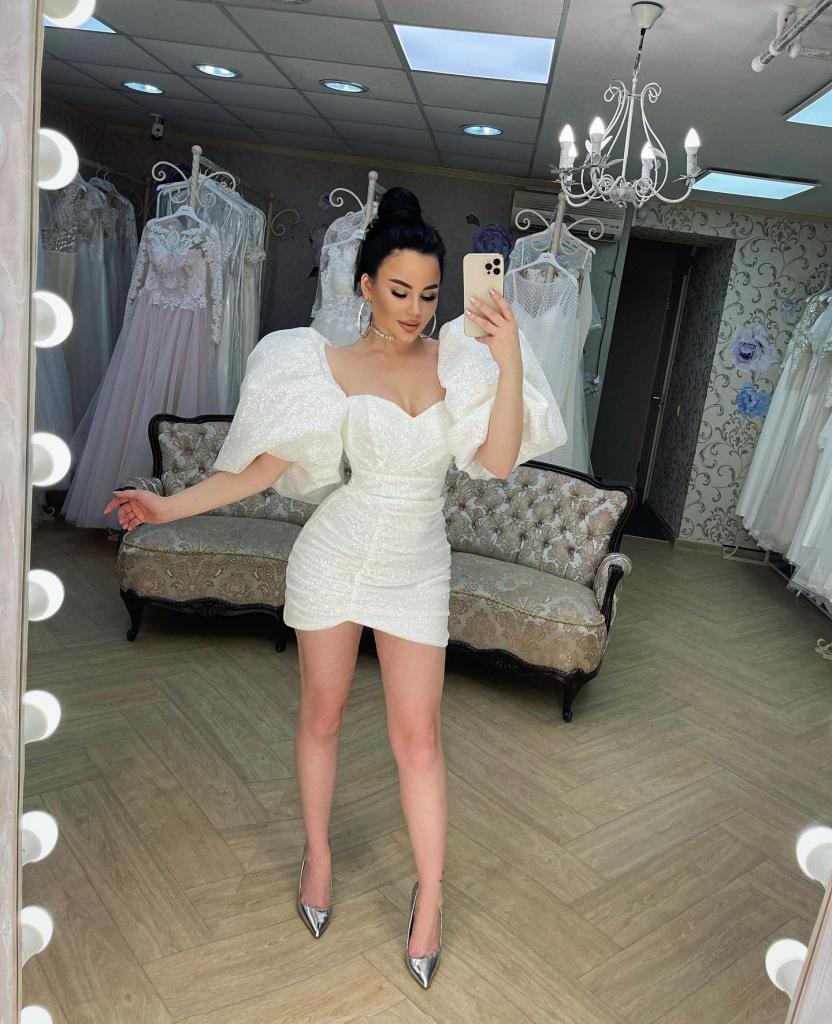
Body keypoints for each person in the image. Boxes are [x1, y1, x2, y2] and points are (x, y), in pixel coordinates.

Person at [104, 186, 566, 989]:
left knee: (419, 742)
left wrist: (510, 354)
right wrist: (167, 505)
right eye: (399, 290)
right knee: (321, 716)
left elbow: (495, 463)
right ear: (364, 285)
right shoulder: (323, 364)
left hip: (418, 567)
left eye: (429, 294)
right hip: (334, 554)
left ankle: (431, 896)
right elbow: (261, 470)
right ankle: (317, 857)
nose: (416, 309)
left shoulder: (460, 361)